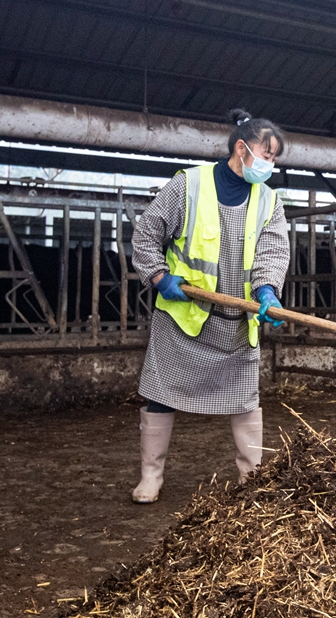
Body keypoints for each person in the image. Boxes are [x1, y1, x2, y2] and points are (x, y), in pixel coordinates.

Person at [129, 108, 290, 504]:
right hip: (184, 317)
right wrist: (159, 277)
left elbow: (273, 252)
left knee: (245, 398)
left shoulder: (270, 201)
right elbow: (147, 234)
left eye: (274, 159)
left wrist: (267, 290)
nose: (269, 165)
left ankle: (252, 482)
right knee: (160, 393)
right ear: (242, 148)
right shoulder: (188, 185)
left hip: (237, 321)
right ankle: (151, 477)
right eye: (266, 155)